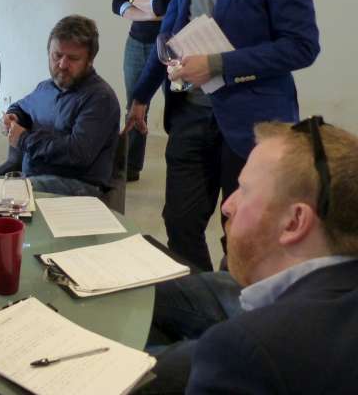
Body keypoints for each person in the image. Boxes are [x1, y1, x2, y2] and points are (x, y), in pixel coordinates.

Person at [125, 0, 320, 271]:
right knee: (178, 223)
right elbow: (169, 31)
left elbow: (302, 45)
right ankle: (203, 307)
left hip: (252, 123)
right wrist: (141, 95)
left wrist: (218, 64)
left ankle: (238, 314)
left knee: (245, 233)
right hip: (190, 115)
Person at [145, 118, 358, 394]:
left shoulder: (240, 354)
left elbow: (245, 351)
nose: (228, 206)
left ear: (293, 222)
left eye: (244, 190)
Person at [111, 0, 193, 182]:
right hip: (137, 43)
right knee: (135, 104)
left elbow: (173, 4)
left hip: (174, 46)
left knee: (180, 107)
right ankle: (129, 167)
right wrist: (149, 10)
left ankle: (182, 168)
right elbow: (118, 1)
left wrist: (142, 3)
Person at [0, 15, 119, 196]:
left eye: (73, 58)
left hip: (78, 185)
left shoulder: (100, 98)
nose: (62, 64)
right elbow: (22, 107)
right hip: (34, 177)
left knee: (6, 194)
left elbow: (77, 153)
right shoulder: (45, 87)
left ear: (90, 60)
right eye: (57, 55)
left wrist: (23, 139)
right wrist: (14, 116)